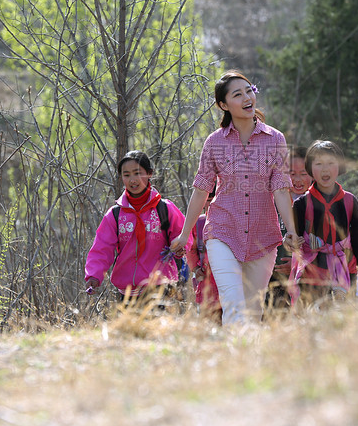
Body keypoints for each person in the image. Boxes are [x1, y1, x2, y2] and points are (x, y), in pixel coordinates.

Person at [169, 71, 300, 325]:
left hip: (264, 236)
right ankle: (234, 356)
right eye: (237, 94)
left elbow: (281, 189)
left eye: (249, 91)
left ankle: (246, 363)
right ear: (223, 105)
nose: (247, 98)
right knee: (233, 302)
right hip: (222, 231)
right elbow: (201, 188)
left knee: (253, 310)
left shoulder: (276, 139)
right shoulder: (214, 142)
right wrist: (185, 234)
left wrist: (292, 230)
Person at [84, 150, 190, 299]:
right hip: (128, 292)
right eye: (126, 175)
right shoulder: (115, 214)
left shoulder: (164, 209)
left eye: (137, 173)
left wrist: (180, 248)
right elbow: (102, 248)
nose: (132, 180)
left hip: (162, 288)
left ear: (149, 173)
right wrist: (94, 275)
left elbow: (184, 235)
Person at [289, 140, 358, 304]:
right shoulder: (301, 204)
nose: (325, 169)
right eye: (318, 163)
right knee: (312, 316)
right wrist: (290, 243)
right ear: (310, 168)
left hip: (345, 269)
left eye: (331, 163)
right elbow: (294, 238)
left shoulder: (350, 201)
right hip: (311, 273)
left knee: (343, 318)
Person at [267, 145, 312, 310]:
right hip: (274, 278)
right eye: (292, 174)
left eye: (304, 174)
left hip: (308, 279)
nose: (298, 180)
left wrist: (296, 266)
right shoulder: (273, 201)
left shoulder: (319, 203)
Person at [186, 188, 221, 322]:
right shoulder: (198, 223)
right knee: (210, 322)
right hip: (207, 283)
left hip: (229, 283)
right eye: (207, 201)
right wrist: (195, 268)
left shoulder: (232, 222)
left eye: (213, 200)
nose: (210, 204)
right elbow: (191, 248)